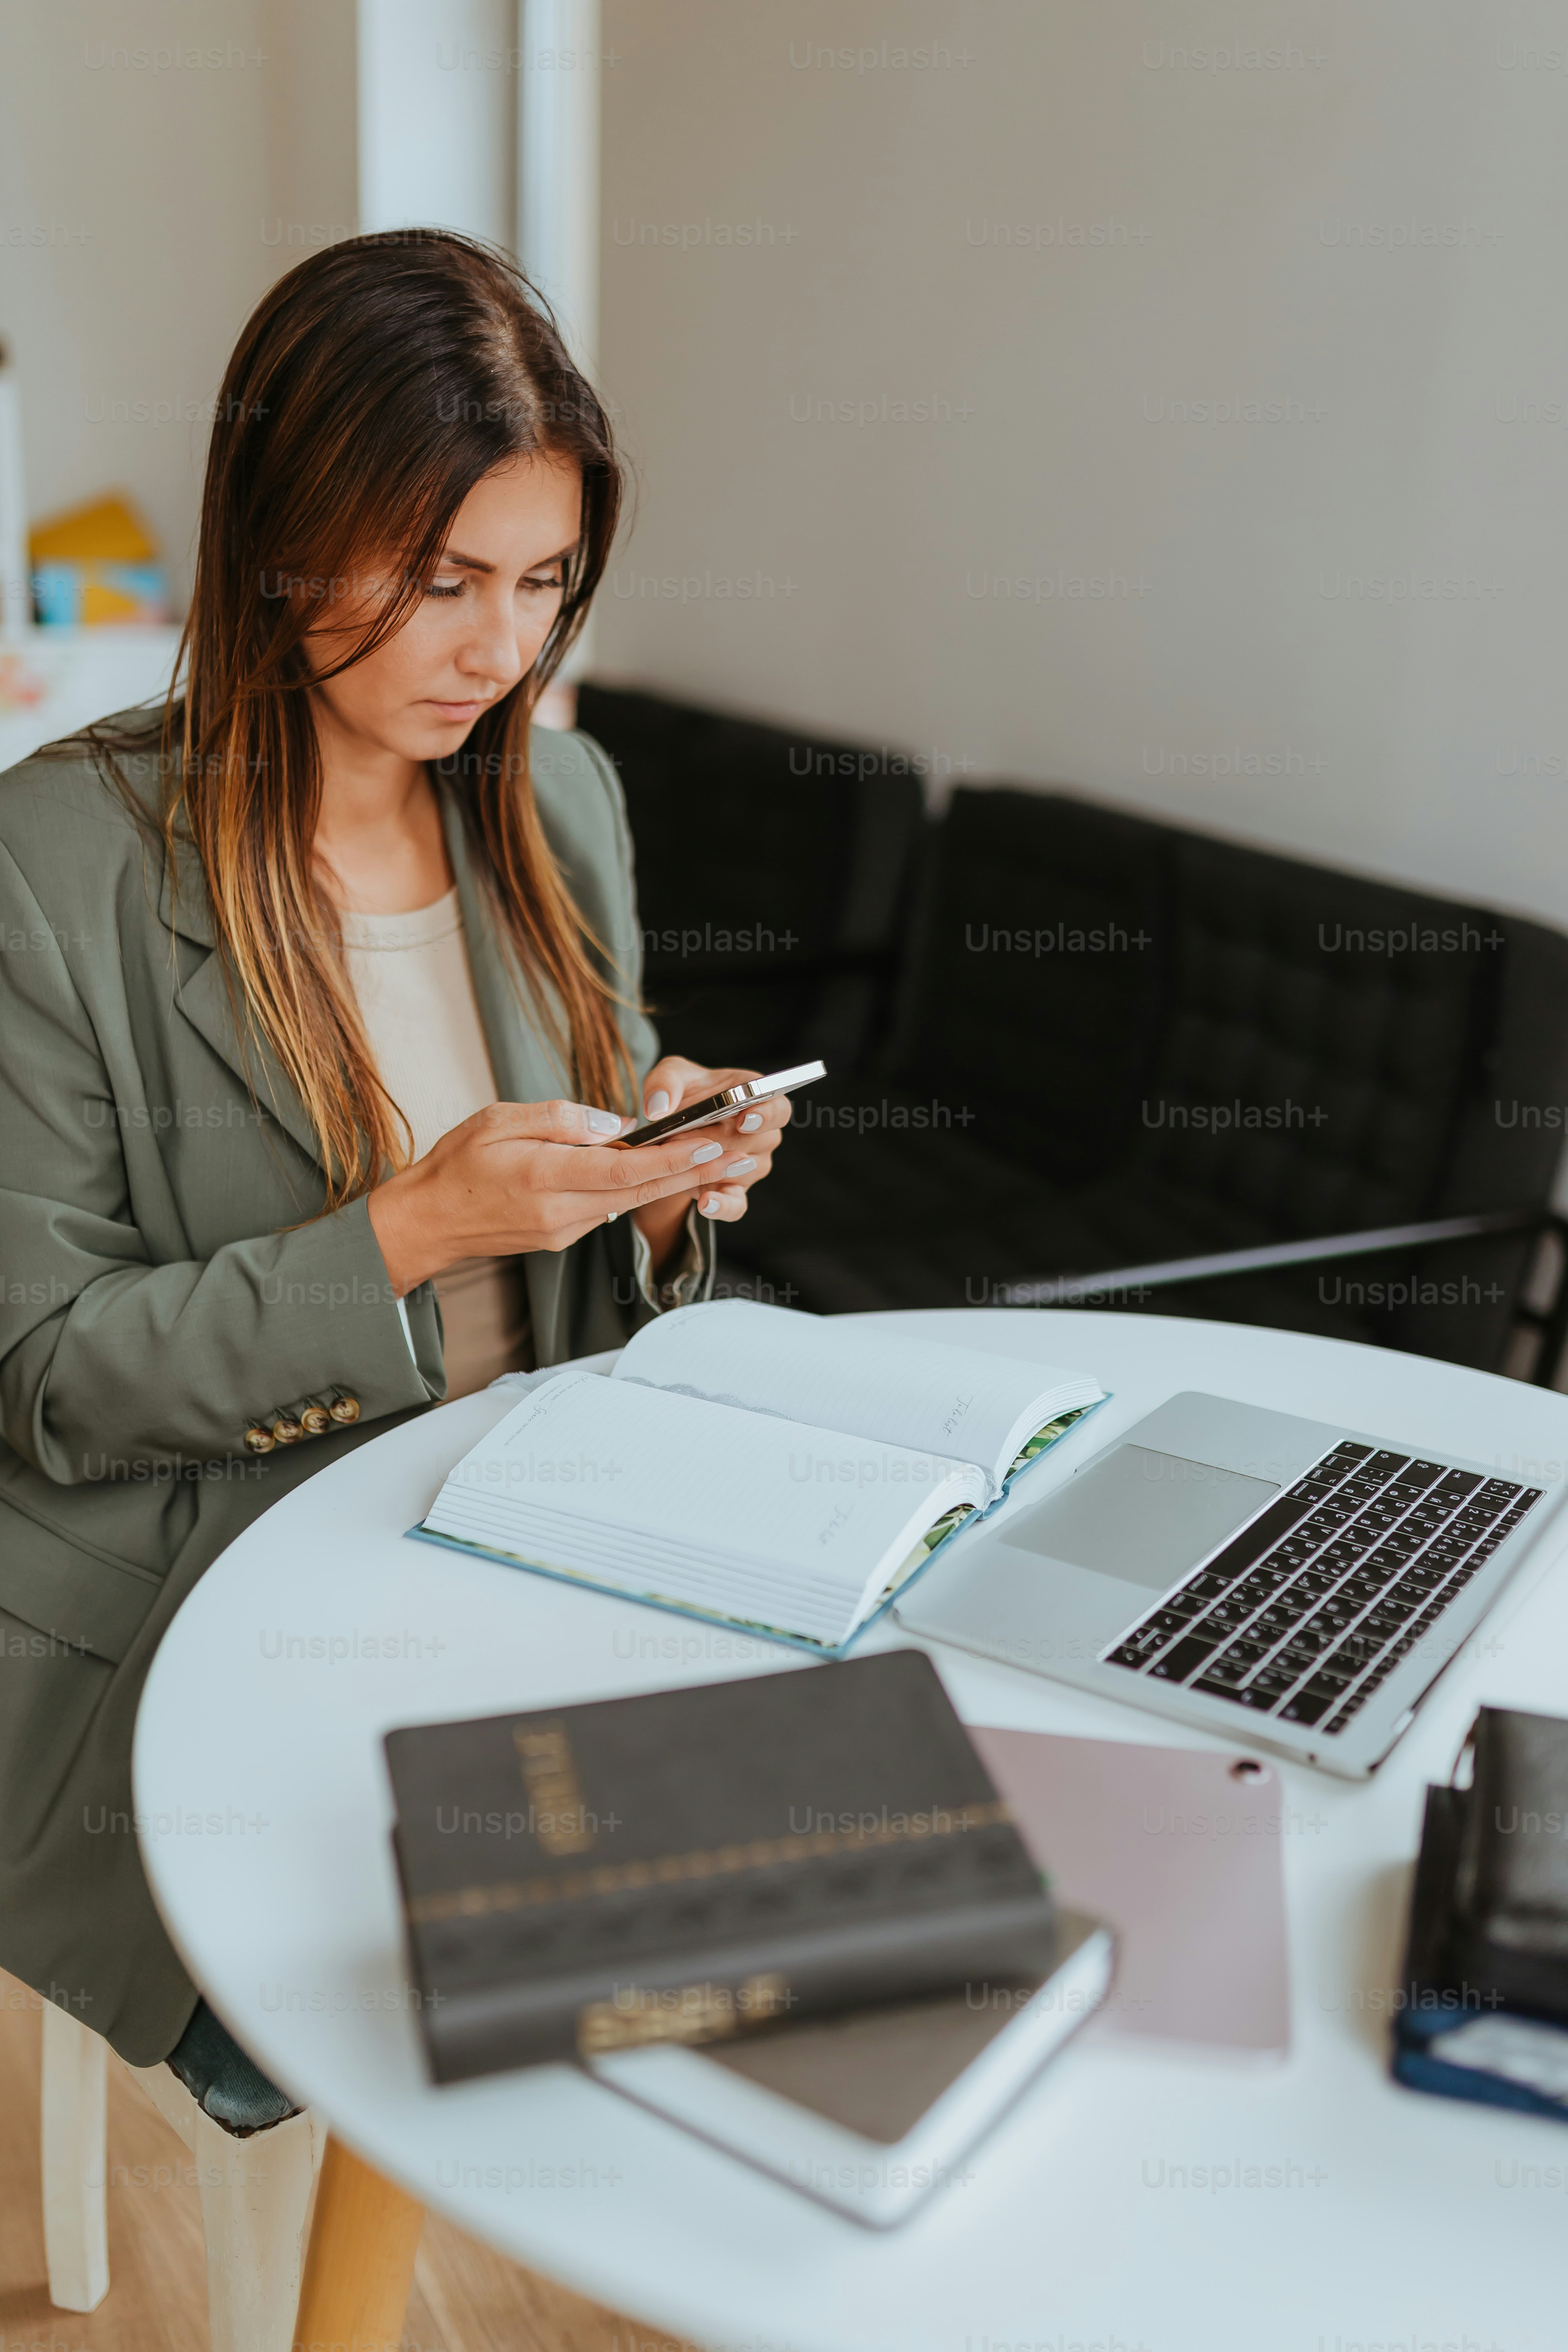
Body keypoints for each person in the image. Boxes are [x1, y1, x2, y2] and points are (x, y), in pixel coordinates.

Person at [0, 230, 791, 2112]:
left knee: (826, 1861)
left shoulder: (559, 801)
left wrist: (657, 1184)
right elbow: (48, 1377)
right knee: (590, 1992)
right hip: (228, 1598)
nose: (501, 653)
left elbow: (584, 1237)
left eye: (540, 583)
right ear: (282, 542)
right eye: (442, 582)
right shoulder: (60, 859)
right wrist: (412, 1231)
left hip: (537, 1537)